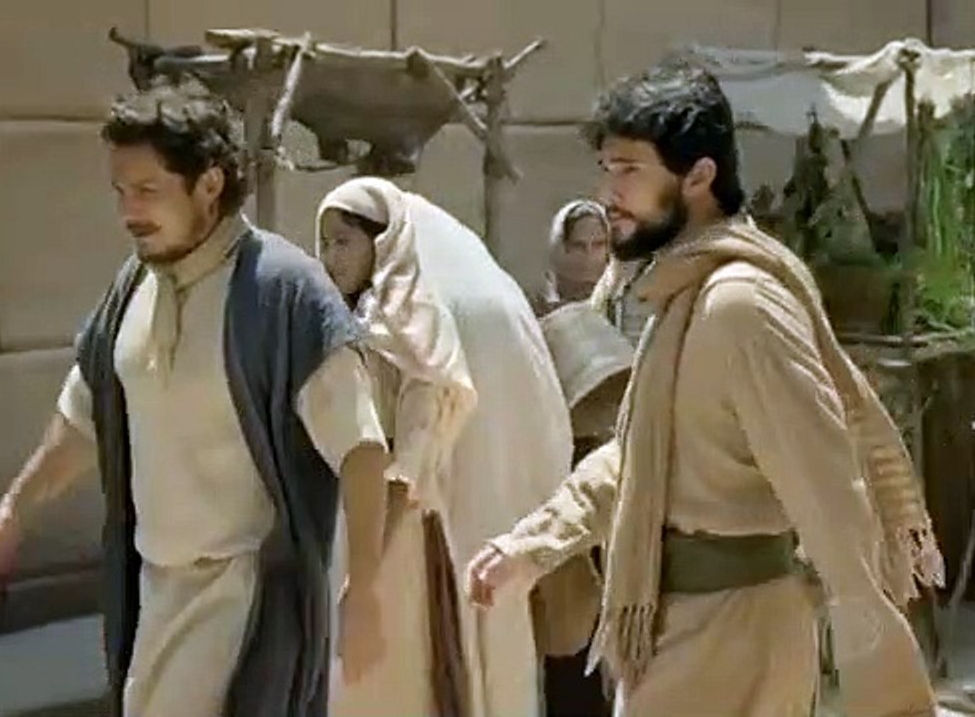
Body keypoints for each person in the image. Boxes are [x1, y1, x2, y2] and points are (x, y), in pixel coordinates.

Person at [466, 62, 944, 717]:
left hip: (736, 639)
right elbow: (642, 456)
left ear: (698, 177)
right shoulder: (683, 295)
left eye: (629, 170)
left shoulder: (741, 307)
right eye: (606, 168)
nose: (608, 193)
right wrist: (533, 547)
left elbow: (828, 484)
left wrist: (882, 671)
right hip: (680, 631)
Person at [0, 82, 395, 717]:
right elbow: (84, 420)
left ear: (209, 184)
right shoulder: (131, 289)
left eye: (147, 190)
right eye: (120, 192)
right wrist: (11, 516)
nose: (129, 211)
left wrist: (368, 590)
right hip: (152, 591)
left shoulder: (283, 292)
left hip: (245, 597)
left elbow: (361, 448)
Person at [316, 177, 589, 717]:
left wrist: (366, 573)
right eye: (324, 243)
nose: (330, 257)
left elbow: (416, 451)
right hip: (359, 532)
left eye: (344, 241)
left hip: (403, 541)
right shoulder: (357, 321)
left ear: (383, 240)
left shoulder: (414, 327)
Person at [533, 199, 612, 315]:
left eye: (598, 244)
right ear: (561, 247)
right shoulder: (536, 308)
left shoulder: (620, 304)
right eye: (578, 246)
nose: (589, 255)